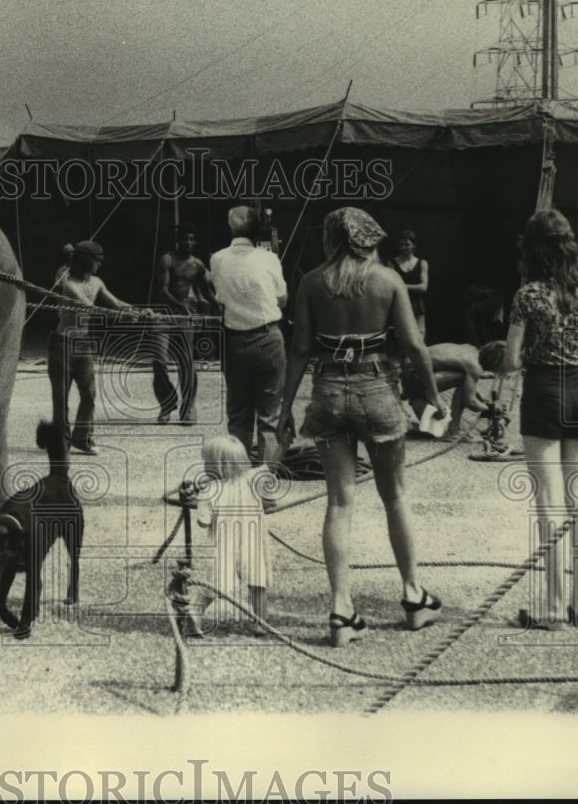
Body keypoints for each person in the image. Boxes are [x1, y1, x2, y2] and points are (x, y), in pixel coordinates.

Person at [278, 207, 443, 648]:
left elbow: (298, 351)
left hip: (329, 393)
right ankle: (412, 597)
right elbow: (413, 345)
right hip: (377, 392)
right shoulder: (388, 280)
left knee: (339, 503)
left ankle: (340, 607)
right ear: (370, 240)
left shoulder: (312, 282)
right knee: (395, 496)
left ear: (332, 239)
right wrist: (435, 396)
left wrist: (283, 410)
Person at [504, 209, 578, 631]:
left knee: (549, 503)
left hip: (543, 393)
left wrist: (531, 353)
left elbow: (510, 360)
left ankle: (553, 606)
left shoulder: (527, 296)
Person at [209, 206, 287, 471]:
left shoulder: (216, 259)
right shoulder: (269, 259)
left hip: (234, 343)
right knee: (269, 417)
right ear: (257, 230)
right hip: (267, 338)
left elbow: (220, 296)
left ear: (230, 228)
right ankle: (264, 490)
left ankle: (237, 484)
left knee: (239, 417)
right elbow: (283, 298)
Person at [47, 240, 140, 455]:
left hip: (84, 344)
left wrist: (136, 310)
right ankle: (61, 441)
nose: (99, 266)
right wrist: (122, 316)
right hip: (62, 344)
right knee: (60, 398)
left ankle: (82, 438)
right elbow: (90, 309)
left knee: (89, 395)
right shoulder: (69, 285)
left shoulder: (97, 282)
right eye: (96, 261)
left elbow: (115, 303)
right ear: (86, 261)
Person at [184, 434, 270, 636]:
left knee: (216, 585)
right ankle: (261, 623)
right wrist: (283, 444)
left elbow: (203, 522)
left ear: (216, 466)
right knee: (258, 583)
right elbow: (270, 467)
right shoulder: (251, 480)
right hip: (251, 543)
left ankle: (195, 612)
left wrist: (196, 502)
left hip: (223, 546)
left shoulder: (210, 491)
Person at [151, 223, 218, 425]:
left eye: (191, 239)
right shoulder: (167, 259)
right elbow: (162, 290)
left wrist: (219, 308)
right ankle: (167, 403)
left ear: (194, 242)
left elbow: (206, 291)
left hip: (184, 317)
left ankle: (188, 407)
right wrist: (180, 306)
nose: (187, 242)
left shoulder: (197, 265)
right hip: (163, 315)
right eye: (184, 239)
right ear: (177, 240)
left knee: (186, 362)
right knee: (159, 360)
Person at [400, 341, 506, 439]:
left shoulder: (471, 350)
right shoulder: (474, 365)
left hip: (410, 375)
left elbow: (471, 389)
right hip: (413, 378)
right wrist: (490, 410)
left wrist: (484, 403)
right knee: (463, 378)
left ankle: (416, 404)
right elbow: (470, 401)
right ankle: (453, 431)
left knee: (433, 431)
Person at [387, 229, 429, 341]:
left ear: (414, 245)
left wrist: (402, 286)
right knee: (403, 345)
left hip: (418, 308)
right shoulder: (392, 263)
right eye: (402, 245)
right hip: (401, 308)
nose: (404, 247)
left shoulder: (422, 263)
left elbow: (424, 287)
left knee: (419, 342)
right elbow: (391, 287)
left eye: (407, 244)